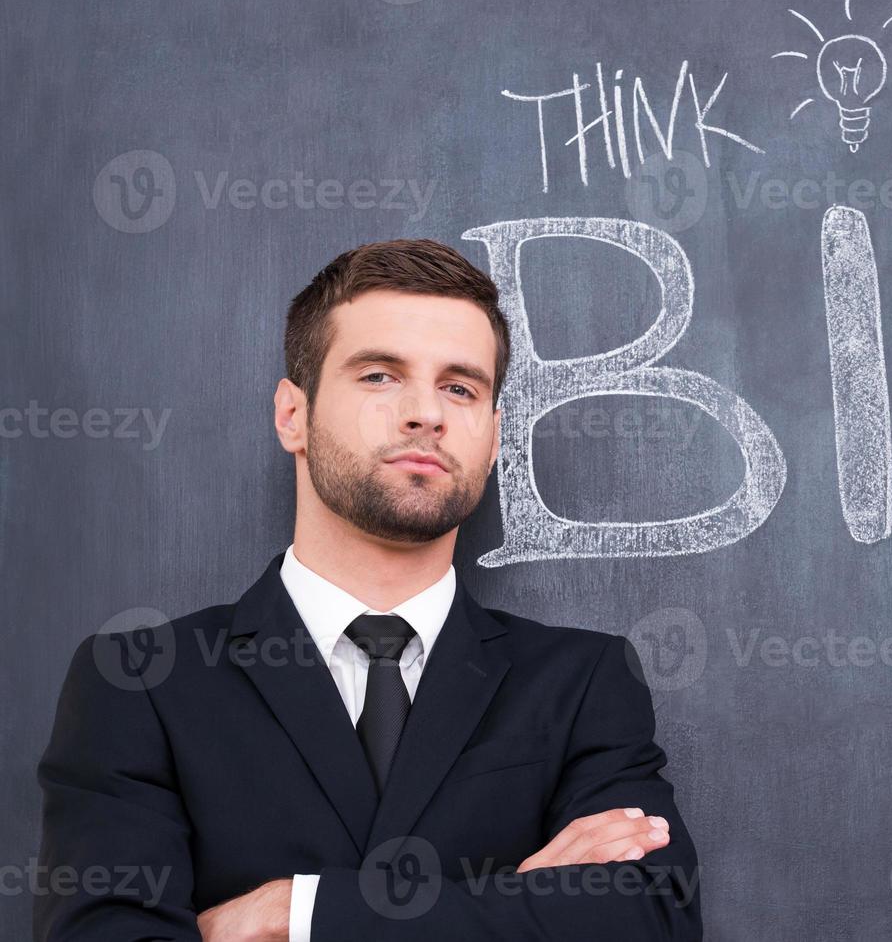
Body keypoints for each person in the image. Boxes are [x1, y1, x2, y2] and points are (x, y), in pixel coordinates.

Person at [33, 239, 700, 940]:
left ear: (494, 435)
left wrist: (290, 915)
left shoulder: (582, 683)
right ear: (293, 415)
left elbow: (649, 919)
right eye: (380, 376)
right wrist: (518, 903)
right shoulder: (142, 683)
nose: (426, 414)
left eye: (460, 387)